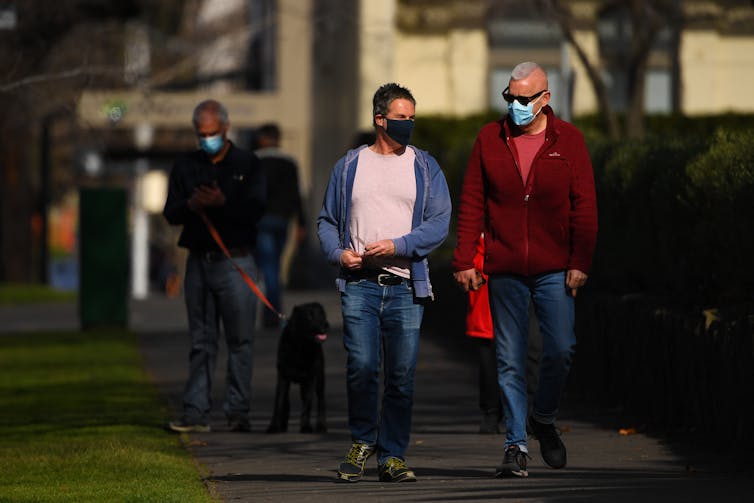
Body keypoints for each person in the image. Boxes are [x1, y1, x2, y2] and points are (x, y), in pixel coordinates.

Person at [452, 62, 598, 478]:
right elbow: (472, 202)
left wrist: (579, 261)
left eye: (523, 98)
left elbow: (584, 206)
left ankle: (544, 418)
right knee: (509, 359)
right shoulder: (489, 138)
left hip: (556, 267)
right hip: (506, 267)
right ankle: (515, 444)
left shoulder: (569, 141)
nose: (515, 105)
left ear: (545, 98)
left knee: (561, 348)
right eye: (509, 97)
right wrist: (464, 260)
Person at [317, 83, 451, 483]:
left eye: (412, 118)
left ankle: (392, 455)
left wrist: (398, 244)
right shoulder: (349, 166)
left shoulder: (425, 166)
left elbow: (439, 224)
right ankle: (362, 441)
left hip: (406, 286)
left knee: (402, 374)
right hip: (359, 284)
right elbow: (326, 221)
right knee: (361, 367)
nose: (408, 124)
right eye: (400, 118)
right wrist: (338, 254)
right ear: (380, 119)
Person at [163, 99, 266, 433]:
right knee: (201, 341)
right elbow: (170, 212)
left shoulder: (247, 164)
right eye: (201, 133)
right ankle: (195, 412)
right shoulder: (186, 166)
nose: (206, 139)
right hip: (199, 261)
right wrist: (191, 204)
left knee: (240, 339)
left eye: (211, 133)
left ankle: (237, 411)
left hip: (236, 261)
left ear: (225, 128)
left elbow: (256, 209)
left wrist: (225, 203)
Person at [253, 123, 306, 328]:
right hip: (283, 220)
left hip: (261, 221)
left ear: (262, 139)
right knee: (274, 265)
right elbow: (297, 195)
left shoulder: (254, 161)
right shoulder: (289, 163)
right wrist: (301, 223)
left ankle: (272, 312)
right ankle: (272, 312)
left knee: (268, 268)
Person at [465, 235, 502, 434]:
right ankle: (491, 411)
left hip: (494, 311)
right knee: (489, 364)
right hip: (484, 313)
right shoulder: (477, 244)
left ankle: (514, 412)